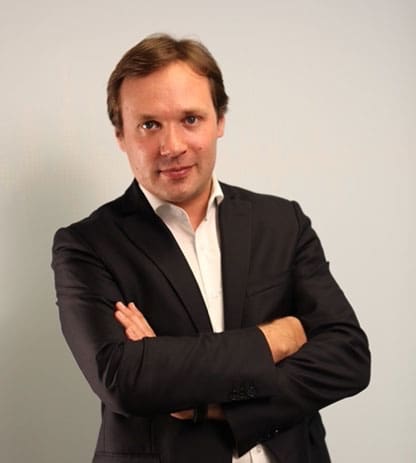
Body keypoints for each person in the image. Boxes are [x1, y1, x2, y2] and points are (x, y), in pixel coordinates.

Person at [52, 33, 370, 463]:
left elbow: (348, 357)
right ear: (120, 135)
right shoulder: (86, 245)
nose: (172, 146)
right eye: (149, 125)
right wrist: (275, 338)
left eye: (190, 119)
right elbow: (124, 380)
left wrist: (212, 403)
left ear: (219, 120)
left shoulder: (282, 222)